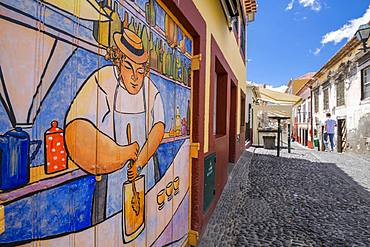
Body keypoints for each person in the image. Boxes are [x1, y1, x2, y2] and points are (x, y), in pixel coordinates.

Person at [64, 28, 165, 221]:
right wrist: (121, 153)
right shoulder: (102, 80)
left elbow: (158, 127)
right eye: (128, 67)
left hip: (146, 171)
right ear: (118, 63)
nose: (135, 77)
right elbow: (76, 129)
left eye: (140, 71)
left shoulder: (151, 90)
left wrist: (140, 161)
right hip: (111, 178)